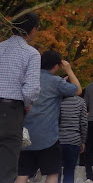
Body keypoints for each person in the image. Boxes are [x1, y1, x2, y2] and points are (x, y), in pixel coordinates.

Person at [17, 50, 81, 183]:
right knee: (53, 173)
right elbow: (78, 90)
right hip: (48, 137)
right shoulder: (56, 82)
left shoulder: (28, 79)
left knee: (23, 173)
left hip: (26, 135)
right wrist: (69, 70)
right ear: (57, 66)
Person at [0, 12, 40, 183]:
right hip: (11, 111)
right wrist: (27, 104)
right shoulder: (31, 54)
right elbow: (30, 89)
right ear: (32, 30)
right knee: (7, 164)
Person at [58, 94, 87, 183]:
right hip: (74, 139)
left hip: (56, 140)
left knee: (55, 172)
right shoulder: (80, 101)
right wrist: (83, 140)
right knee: (70, 172)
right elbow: (83, 123)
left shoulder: (56, 99)